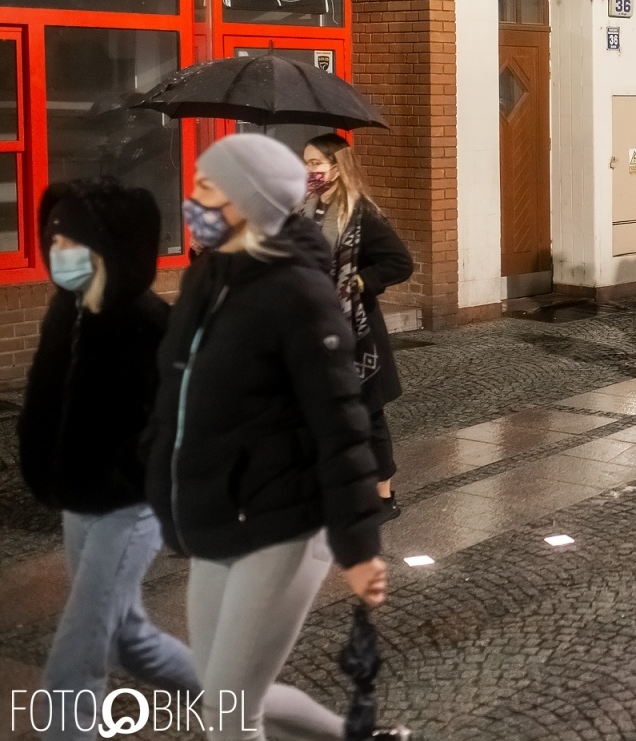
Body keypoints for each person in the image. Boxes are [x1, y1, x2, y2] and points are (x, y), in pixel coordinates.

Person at [142, 134, 404, 741]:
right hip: (220, 516)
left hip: (287, 519)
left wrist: (358, 546)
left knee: (231, 713)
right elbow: (179, 397)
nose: (194, 197)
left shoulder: (299, 292)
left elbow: (341, 423)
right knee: (223, 695)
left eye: (208, 186)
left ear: (247, 200)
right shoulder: (209, 280)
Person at [19, 179, 202, 741]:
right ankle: (232, 691)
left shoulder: (148, 325)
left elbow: (177, 425)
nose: (59, 252)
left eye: (74, 242)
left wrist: (131, 472)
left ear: (113, 249)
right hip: (78, 498)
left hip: (130, 507)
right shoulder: (67, 310)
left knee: (78, 652)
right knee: (129, 639)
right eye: (54, 238)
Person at [300, 134, 414, 522]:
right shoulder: (305, 208)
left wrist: (358, 282)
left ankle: (384, 497)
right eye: (307, 164)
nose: (310, 171)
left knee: (368, 414)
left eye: (316, 163)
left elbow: (400, 262)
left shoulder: (360, 212)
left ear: (337, 166)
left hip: (356, 334)